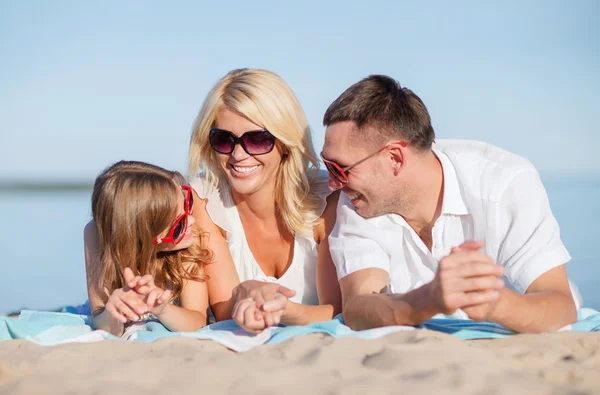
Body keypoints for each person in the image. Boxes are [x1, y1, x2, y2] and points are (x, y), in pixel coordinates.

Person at [321, 74, 581, 333]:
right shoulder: (358, 200)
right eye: (327, 166)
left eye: (339, 169)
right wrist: (428, 299)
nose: (333, 183)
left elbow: (561, 305)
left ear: (395, 158)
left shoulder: (504, 184)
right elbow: (358, 307)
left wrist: (492, 302)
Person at [189, 68, 341, 331]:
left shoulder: (328, 200)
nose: (238, 155)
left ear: (285, 142)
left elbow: (338, 312)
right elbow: (226, 314)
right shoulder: (205, 199)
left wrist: (286, 310)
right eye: (224, 140)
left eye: (257, 140)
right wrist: (243, 292)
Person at [84, 161, 212, 337]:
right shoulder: (96, 234)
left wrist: (162, 308)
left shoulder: (188, 242)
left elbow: (198, 321)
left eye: (187, 204)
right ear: (142, 237)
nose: (191, 221)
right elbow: (100, 321)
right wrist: (114, 313)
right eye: (179, 225)